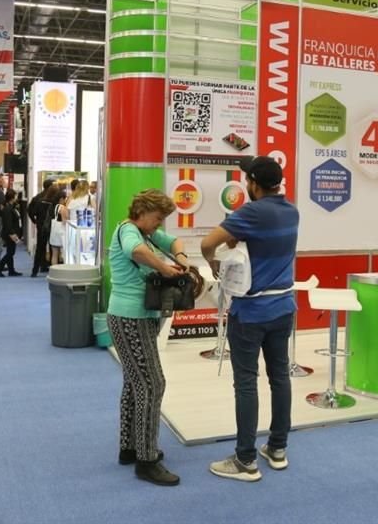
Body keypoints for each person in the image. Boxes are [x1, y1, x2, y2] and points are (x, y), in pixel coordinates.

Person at [201, 156, 299, 483]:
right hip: (283, 307)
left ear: (254, 184)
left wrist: (212, 262)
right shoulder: (292, 211)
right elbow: (258, 243)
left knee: (246, 382)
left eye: (247, 179)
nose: (245, 183)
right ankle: (278, 448)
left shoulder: (250, 213)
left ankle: (245, 460)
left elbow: (207, 243)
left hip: (251, 312)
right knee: (279, 377)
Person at [108, 189, 190, 487]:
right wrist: (166, 269)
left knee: (135, 383)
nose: (159, 224)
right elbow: (137, 252)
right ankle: (147, 459)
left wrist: (180, 257)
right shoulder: (130, 231)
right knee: (152, 384)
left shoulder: (147, 232)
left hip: (133, 317)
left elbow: (175, 241)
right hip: (132, 318)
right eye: (157, 218)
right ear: (142, 212)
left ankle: (130, 447)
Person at [28, 179, 55, 277]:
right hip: (52, 226)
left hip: (41, 225)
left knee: (40, 247)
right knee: (53, 247)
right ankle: (52, 268)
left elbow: (30, 210)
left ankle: (36, 269)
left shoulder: (37, 198)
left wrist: (34, 220)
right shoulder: (54, 199)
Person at [0, 189, 23, 277]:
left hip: (11, 232)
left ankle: (11, 270)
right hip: (10, 233)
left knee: (10, 252)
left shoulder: (10, 207)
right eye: (15, 196)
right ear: (12, 197)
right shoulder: (8, 209)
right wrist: (12, 234)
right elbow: (8, 223)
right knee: (10, 253)